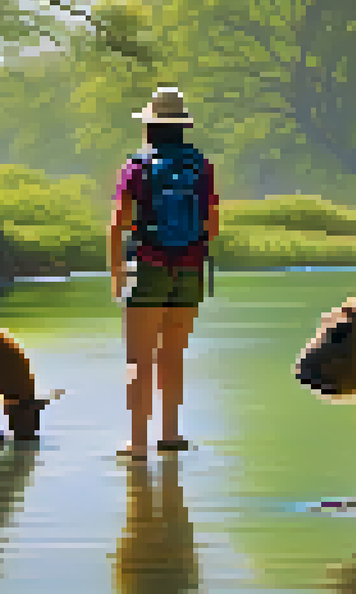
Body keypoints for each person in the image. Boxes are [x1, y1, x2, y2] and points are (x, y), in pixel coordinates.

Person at [110, 86, 218, 459]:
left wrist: (116, 271)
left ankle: (138, 443)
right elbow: (212, 225)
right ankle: (170, 435)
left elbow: (120, 223)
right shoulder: (201, 166)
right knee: (172, 354)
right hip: (190, 269)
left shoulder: (137, 166)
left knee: (139, 358)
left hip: (147, 266)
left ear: (149, 126)